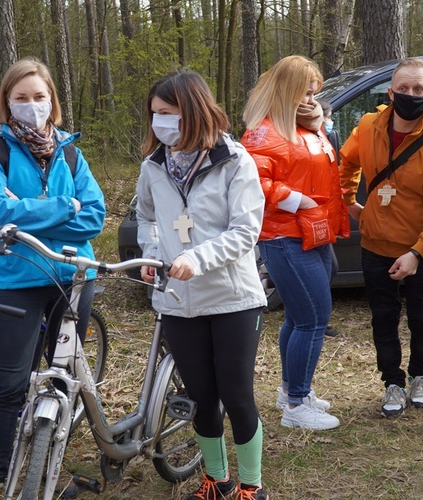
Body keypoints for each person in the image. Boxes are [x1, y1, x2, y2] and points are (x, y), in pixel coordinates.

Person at [135, 70, 269, 500]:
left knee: (235, 393)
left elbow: (246, 230)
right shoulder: (153, 166)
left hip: (233, 297)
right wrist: (154, 254)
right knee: (199, 395)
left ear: (193, 111)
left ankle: (251, 486)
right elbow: (146, 218)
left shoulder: (235, 160)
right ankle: (217, 479)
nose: (161, 123)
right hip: (177, 301)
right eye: (155, 114)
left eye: (168, 113)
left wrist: (196, 257)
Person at [0, 58, 105, 494]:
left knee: (62, 375)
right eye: (22, 98)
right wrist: (66, 207)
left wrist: (34, 214)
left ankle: (49, 455)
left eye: (39, 97)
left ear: (53, 100)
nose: (32, 105)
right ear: (7, 103)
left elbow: (95, 218)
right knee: (12, 381)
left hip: (74, 276)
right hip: (17, 278)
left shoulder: (71, 151)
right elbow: (0, 213)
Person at [339, 58, 423, 417]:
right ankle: (392, 381)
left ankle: (420, 376)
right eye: (404, 89)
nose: (410, 95)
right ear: (391, 91)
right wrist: (349, 201)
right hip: (374, 244)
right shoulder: (367, 126)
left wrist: (417, 252)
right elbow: (347, 163)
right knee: (383, 316)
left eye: (418, 89)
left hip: (419, 251)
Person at [242, 55, 348, 431]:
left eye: (315, 92)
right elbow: (255, 182)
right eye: (305, 91)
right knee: (313, 319)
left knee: (300, 317)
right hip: (285, 235)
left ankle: (291, 390)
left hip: (313, 231)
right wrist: (297, 200)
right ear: (287, 91)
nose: (311, 99)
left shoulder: (308, 128)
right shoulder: (264, 132)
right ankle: (297, 404)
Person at [319, 99, 341, 338]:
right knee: (329, 267)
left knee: (330, 267)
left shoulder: (328, 138)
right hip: (311, 218)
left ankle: (321, 320)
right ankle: (318, 321)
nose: (329, 122)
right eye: (328, 117)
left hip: (325, 216)